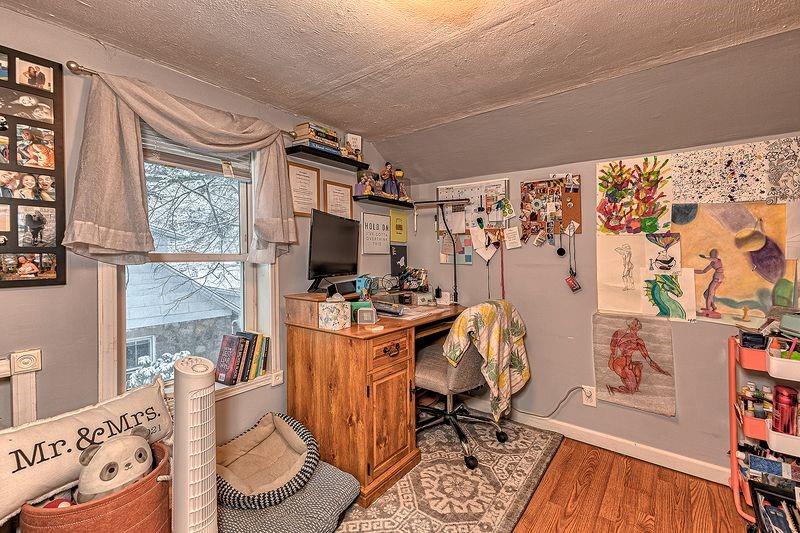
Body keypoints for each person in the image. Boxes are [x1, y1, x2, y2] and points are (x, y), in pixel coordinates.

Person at [606, 318, 670, 395]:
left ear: (638, 327)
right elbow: (613, 351)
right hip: (620, 364)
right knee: (632, 390)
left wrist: (661, 370)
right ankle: (613, 389)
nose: (636, 324)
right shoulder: (619, 334)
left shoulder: (638, 341)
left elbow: (649, 360)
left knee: (638, 367)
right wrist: (611, 364)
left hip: (628, 364)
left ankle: (630, 388)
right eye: (634, 323)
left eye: (637, 324)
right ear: (629, 324)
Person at [694, 249, 724, 319]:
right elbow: (703, 271)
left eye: (714, 253)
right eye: (712, 253)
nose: (712, 255)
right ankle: (713, 307)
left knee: (710, 294)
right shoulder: (712, 263)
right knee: (706, 294)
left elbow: (713, 259)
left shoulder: (717, 260)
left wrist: (704, 257)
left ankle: (708, 310)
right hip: (718, 278)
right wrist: (692, 271)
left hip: (717, 278)